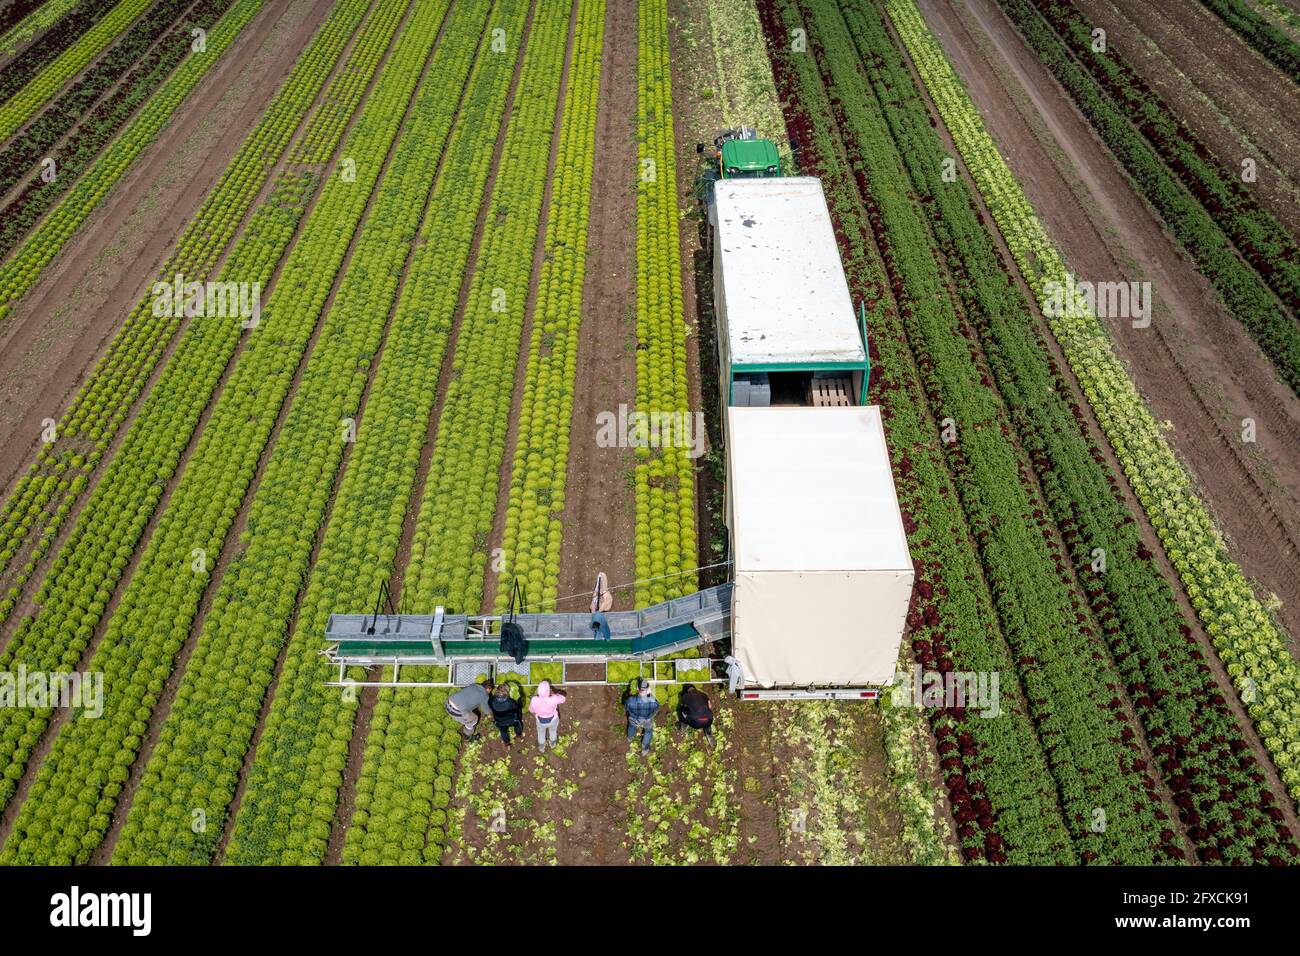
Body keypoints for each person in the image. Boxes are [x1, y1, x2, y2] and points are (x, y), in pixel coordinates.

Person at [528, 679, 567, 752]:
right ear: (549, 691)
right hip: (553, 720)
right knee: (553, 731)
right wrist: (554, 694)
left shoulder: (534, 700)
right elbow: (563, 699)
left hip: (540, 721)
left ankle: (541, 747)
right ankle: (553, 744)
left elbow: (531, 710)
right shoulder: (553, 698)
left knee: (541, 733)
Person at [624, 678, 660, 756]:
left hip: (634, 719)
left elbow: (626, 708)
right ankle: (644, 750)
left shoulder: (631, 700)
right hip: (647, 720)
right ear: (648, 689)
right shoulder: (653, 700)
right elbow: (657, 708)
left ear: (637, 688)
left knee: (632, 727)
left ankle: (630, 738)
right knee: (648, 732)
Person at [489, 683, 524, 747]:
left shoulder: (491, 700)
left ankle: (507, 743)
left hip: (499, 721)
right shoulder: (511, 702)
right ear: (507, 692)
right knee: (518, 725)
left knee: (503, 731)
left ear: (497, 691)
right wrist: (519, 699)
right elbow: (518, 707)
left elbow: (490, 707)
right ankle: (518, 735)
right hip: (512, 720)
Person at [590, 571, 613, 641]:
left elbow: (604, 604)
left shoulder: (607, 596)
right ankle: (601, 634)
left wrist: (597, 612)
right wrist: (594, 612)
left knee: (602, 624)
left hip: (601, 611)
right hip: (598, 615)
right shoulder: (596, 593)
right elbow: (592, 606)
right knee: (600, 623)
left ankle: (606, 637)